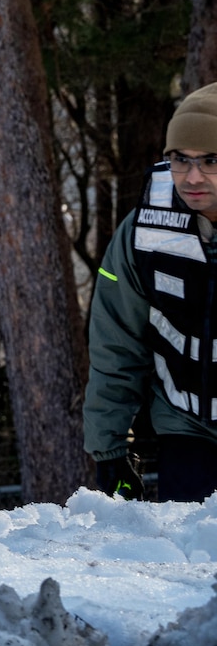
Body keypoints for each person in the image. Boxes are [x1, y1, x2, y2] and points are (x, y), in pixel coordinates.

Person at [87, 83, 217, 502]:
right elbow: (116, 341)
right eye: (180, 159)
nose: (192, 177)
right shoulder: (146, 230)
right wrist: (110, 449)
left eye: (211, 160)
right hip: (188, 430)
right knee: (189, 557)